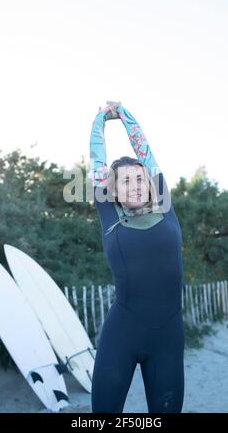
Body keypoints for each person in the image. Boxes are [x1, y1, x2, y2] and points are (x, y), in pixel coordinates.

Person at [89, 101, 185, 413]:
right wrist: (102, 118)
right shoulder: (110, 217)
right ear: (112, 190)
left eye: (140, 179)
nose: (134, 186)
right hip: (123, 334)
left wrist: (127, 116)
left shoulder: (165, 209)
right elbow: (96, 159)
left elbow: (146, 153)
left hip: (168, 337)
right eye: (125, 181)